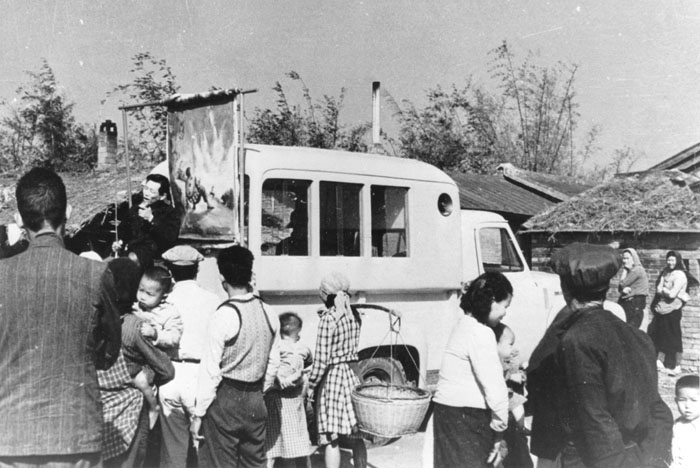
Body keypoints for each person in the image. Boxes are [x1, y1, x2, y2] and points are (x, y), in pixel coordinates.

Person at [0, 167, 121, 466]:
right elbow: (108, 353)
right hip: (75, 434)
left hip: (11, 435)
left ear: (18, 219)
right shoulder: (96, 274)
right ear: (68, 212)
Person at [528, 242, 673, 468]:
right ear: (607, 288)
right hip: (636, 455)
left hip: (597, 460)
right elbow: (659, 411)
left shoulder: (575, 340)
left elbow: (595, 419)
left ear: (565, 289)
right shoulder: (638, 336)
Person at [190, 245, 280, 468]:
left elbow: (210, 371)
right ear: (250, 274)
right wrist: (259, 391)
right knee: (254, 462)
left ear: (223, 278)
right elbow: (273, 363)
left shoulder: (224, 315)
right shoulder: (269, 312)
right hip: (256, 398)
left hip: (226, 399)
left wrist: (198, 414)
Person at [100, 258, 176, 468]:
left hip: (99, 408)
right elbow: (167, 370)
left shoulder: (96, 320)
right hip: (129, 412)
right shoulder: (134, 327)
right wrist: (145, 373)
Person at [432, 272, 511, 468]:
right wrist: (499, 428)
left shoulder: (462, 326)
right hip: (468, 418)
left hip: (446, 413)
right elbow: (495, 387)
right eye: (505, 306)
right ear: (492, 301)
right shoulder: (481, 333)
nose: (505, 313)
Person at [158, 245, 221, 468]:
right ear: (197, 270)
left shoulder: (165, 300)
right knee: (202, 448)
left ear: (170, 271)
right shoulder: (213, 300)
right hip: (201, 375)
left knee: (172, 452)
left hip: (171, 373)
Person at [307, 272, 368, 468]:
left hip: (333, 379)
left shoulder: (328, 319)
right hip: (352, 376)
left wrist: (311, 385)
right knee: (356, 434)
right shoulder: (354, 316)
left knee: (331, 437)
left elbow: (321, 360)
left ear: (326, 294)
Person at [265, 312, 314, 468]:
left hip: (274, 400)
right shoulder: (303, 349)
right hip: (293, 402)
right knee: (292, 448)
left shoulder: (275, 347)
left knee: (271, 446)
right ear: (299, 330)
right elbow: (308, 363)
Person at [649, 251, 696, 375]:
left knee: (674, 336)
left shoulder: (680, 275)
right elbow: (658, 289)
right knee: (661, 334)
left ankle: (677, 365)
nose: (670, 263)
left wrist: (664, 290)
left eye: (673, 260)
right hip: (662, 308)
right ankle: (660, 361)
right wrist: (665, 290)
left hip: (674, 310)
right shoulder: (665, 272)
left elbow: (672, 294)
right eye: (668, 260)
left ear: (678, 261)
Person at [494, 323, 533, 468]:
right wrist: (511, 376)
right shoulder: (493, 361)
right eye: (510, 344)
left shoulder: (505, 358)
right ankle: (521, 427)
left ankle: (521, 427)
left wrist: (519, 373)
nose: (512, 349)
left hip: (509, 400)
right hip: (505, 402)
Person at [118, 173, 181, 262]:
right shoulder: (135, 209)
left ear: (162, 196)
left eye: (152, 191)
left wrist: (151, 219)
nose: (146, 193)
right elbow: (124, 230)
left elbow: (169, 238)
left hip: (154, 257)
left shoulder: (170, 213)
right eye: (146, 188)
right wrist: (120, 242)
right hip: (131, 253)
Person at [671, 374, 699, 468]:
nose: (687, 406)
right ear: (676, 401)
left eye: (694, 400)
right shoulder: (676, 426)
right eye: (682, 400)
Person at [617, 247, 649, 328]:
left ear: (634, 259)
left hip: (634, 303)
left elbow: (622, 284)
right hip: (631, 303)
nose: (624, 261)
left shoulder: (636, 270)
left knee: (630, 329)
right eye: (624, 258)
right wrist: (622, 290)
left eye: (627, 258)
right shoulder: (632, 270)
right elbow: (620, 288)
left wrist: (624, 269)